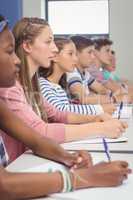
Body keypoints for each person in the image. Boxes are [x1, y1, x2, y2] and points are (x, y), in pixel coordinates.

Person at [0, 15, 131, 200]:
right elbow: (4, 186)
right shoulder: (10, 89)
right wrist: (83, 178)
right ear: (28, 46)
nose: (17, 60)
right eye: (8, 51)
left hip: (22, 166)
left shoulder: (27, 85)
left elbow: (38, 136)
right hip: (16, 170)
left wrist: (68, 158)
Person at [39, 37, 115, 116]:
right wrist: (100, 109)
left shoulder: (59, 87)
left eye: (75, 54)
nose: (75, 59)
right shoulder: (44, 85)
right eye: (70, 54)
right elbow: (61, 112)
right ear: (55, 56)